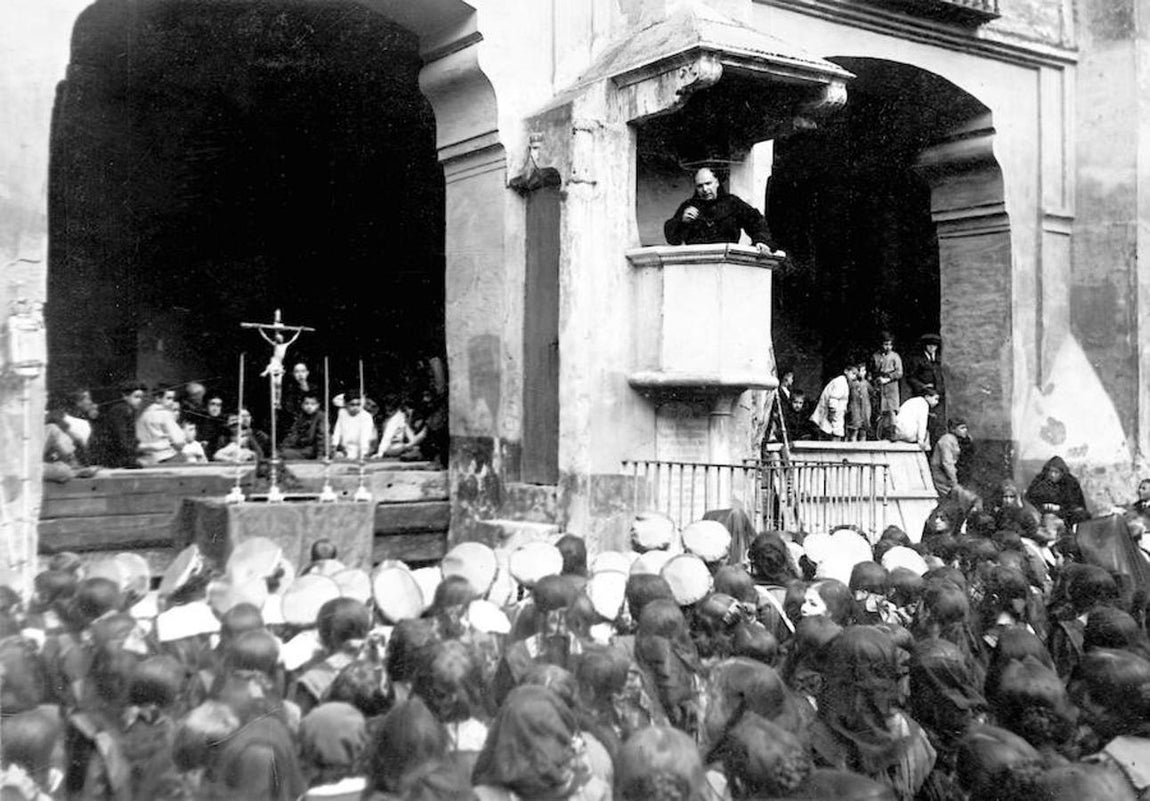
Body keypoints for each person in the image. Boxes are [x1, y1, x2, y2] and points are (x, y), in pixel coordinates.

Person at [664, 168, 781, 255]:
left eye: (708, 184)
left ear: (717, 182)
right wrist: (681, 221)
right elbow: (673, 239)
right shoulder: (689, 206)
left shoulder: (732, 203)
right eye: (700, 186)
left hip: (727, 261)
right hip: (696, 262)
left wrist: (761, 241)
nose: (705, 189)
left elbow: (756, 221)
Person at [903, 334, 946, 445]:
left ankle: (932, 448)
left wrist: (939, 392)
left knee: (936, 424)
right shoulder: (917, 360)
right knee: (923, 422)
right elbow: (910, 377)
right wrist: (922, 386)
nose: (932, 348)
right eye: (929, 345)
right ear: (925, 346)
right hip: (923, 396)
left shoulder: (938, 360)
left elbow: (940, 377)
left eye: (934, 346)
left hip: (936, 397)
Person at [93, 379, 146, 468]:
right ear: (125, 396)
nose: (140, 400)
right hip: (113, 458)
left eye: (141, 397)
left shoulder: (128, 410)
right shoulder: (122, 410)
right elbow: (121, 436)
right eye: (136, 397)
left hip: (119, 455)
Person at [1026, 456, 1090, 527]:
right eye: (1050, 471)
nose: (1052, 475)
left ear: (1062, 473)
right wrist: (1044, 506)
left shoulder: (1071, 482)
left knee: (1081, 515)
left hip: (1065, 514)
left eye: (1056, 472)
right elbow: (1030, 499)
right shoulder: (1039, 480)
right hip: (1042, 512)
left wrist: (1060, 508)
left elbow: (1076, 504)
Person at [136, 386, 187, 466]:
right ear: (158, 398)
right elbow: (179, 440)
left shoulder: (143, 416)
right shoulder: (165, 414)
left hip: (147, 458)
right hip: (166, 457)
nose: (172, 402)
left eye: (173, 399)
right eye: (169, 398)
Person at [810, 363, 858, 441]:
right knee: (834, 432)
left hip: (838, 413)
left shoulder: (844, 382)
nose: (854, 377)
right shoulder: (840, 382)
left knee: (837, 431)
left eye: (855, 375)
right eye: (853, 373)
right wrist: (832, 412)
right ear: (846, 371)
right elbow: (833, 399)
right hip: (833, 414)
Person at [872, 334, 903, 440]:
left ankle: (893, 434)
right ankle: (880, 435)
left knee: (891, 410)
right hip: (880, 385)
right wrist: (877, 380)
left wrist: (888, 378)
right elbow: (873, 371)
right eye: (885, 344)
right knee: (880, 410)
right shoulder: (876, 356)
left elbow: (899, 372)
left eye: (890, 345)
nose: (888, 347)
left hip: (891, 386)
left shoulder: (895, 356)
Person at [281, 393, 329, 460]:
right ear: (302, 405)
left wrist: (320, 455)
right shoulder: (302, 417)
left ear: (318, 405)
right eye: (306, 403)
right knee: (282, 452)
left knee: (286, 454)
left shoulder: (320, 416)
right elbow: (294, 434)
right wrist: (285, 445)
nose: (309, 406)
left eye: (313, 404)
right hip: (302, 447)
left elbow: (322, 436)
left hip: (314, 449)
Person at [930, 417, 968, 497]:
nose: (965, 430)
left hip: (947, 475)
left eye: (965, 428)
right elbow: (947, 463)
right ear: (953, 429)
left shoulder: (954, 440)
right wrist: (954, 482)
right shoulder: (946, 440)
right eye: (962, 428)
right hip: (941, 475)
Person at [331, 393, 376, 460]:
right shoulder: (342, 412)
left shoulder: (366, 416)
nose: (355, 407)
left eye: (358, 404)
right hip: (345, 449)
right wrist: (334, 446)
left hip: (363, 448)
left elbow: (365, 437)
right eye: (352, 404)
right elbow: (337, 430)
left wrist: (363, 453)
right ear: (346, 404)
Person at [846, 360, 873, 442]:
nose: (863, 373)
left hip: (865, 409)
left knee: (863, 431)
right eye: (861, 371)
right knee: (854, 430)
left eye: (864, 371)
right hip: (855, 409)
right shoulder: (852, 384)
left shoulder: (866, 383)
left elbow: (872, 393)